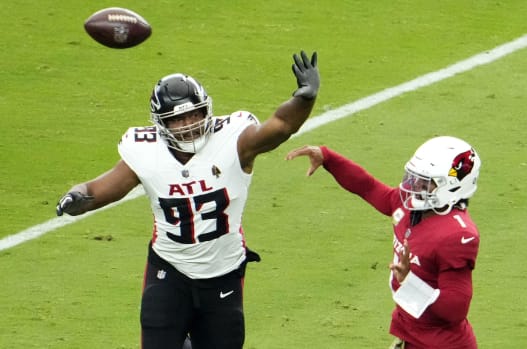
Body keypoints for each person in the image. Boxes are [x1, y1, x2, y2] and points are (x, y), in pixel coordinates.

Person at [56, 50, 320, 349]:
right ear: (161, 124)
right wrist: (76, 197)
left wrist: (304, 98)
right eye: (178, 118)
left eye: (194, 114)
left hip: (224, 271)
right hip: (169, 269)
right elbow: (101, 188)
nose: (189, 123)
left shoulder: (234, 140)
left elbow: (280, 126)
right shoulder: (145, 151)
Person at [286, 136, 481, 349]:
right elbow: (369, 188)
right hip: (411, 335)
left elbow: (455, 310)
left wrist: (410, 282)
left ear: (453, 186)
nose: (414, 186)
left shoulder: (456, 235)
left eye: (426, 182)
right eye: (415, 178)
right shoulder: (411, 206)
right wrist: (328, 158)